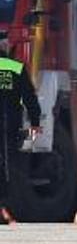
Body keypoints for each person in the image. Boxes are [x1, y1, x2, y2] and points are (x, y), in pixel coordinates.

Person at [0, 31, 39, 221]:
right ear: (5, 45)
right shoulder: (16, 67)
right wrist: (35, 122)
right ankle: (6, 207)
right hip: (9, 124)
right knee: (9, 164)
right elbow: (29, 97)